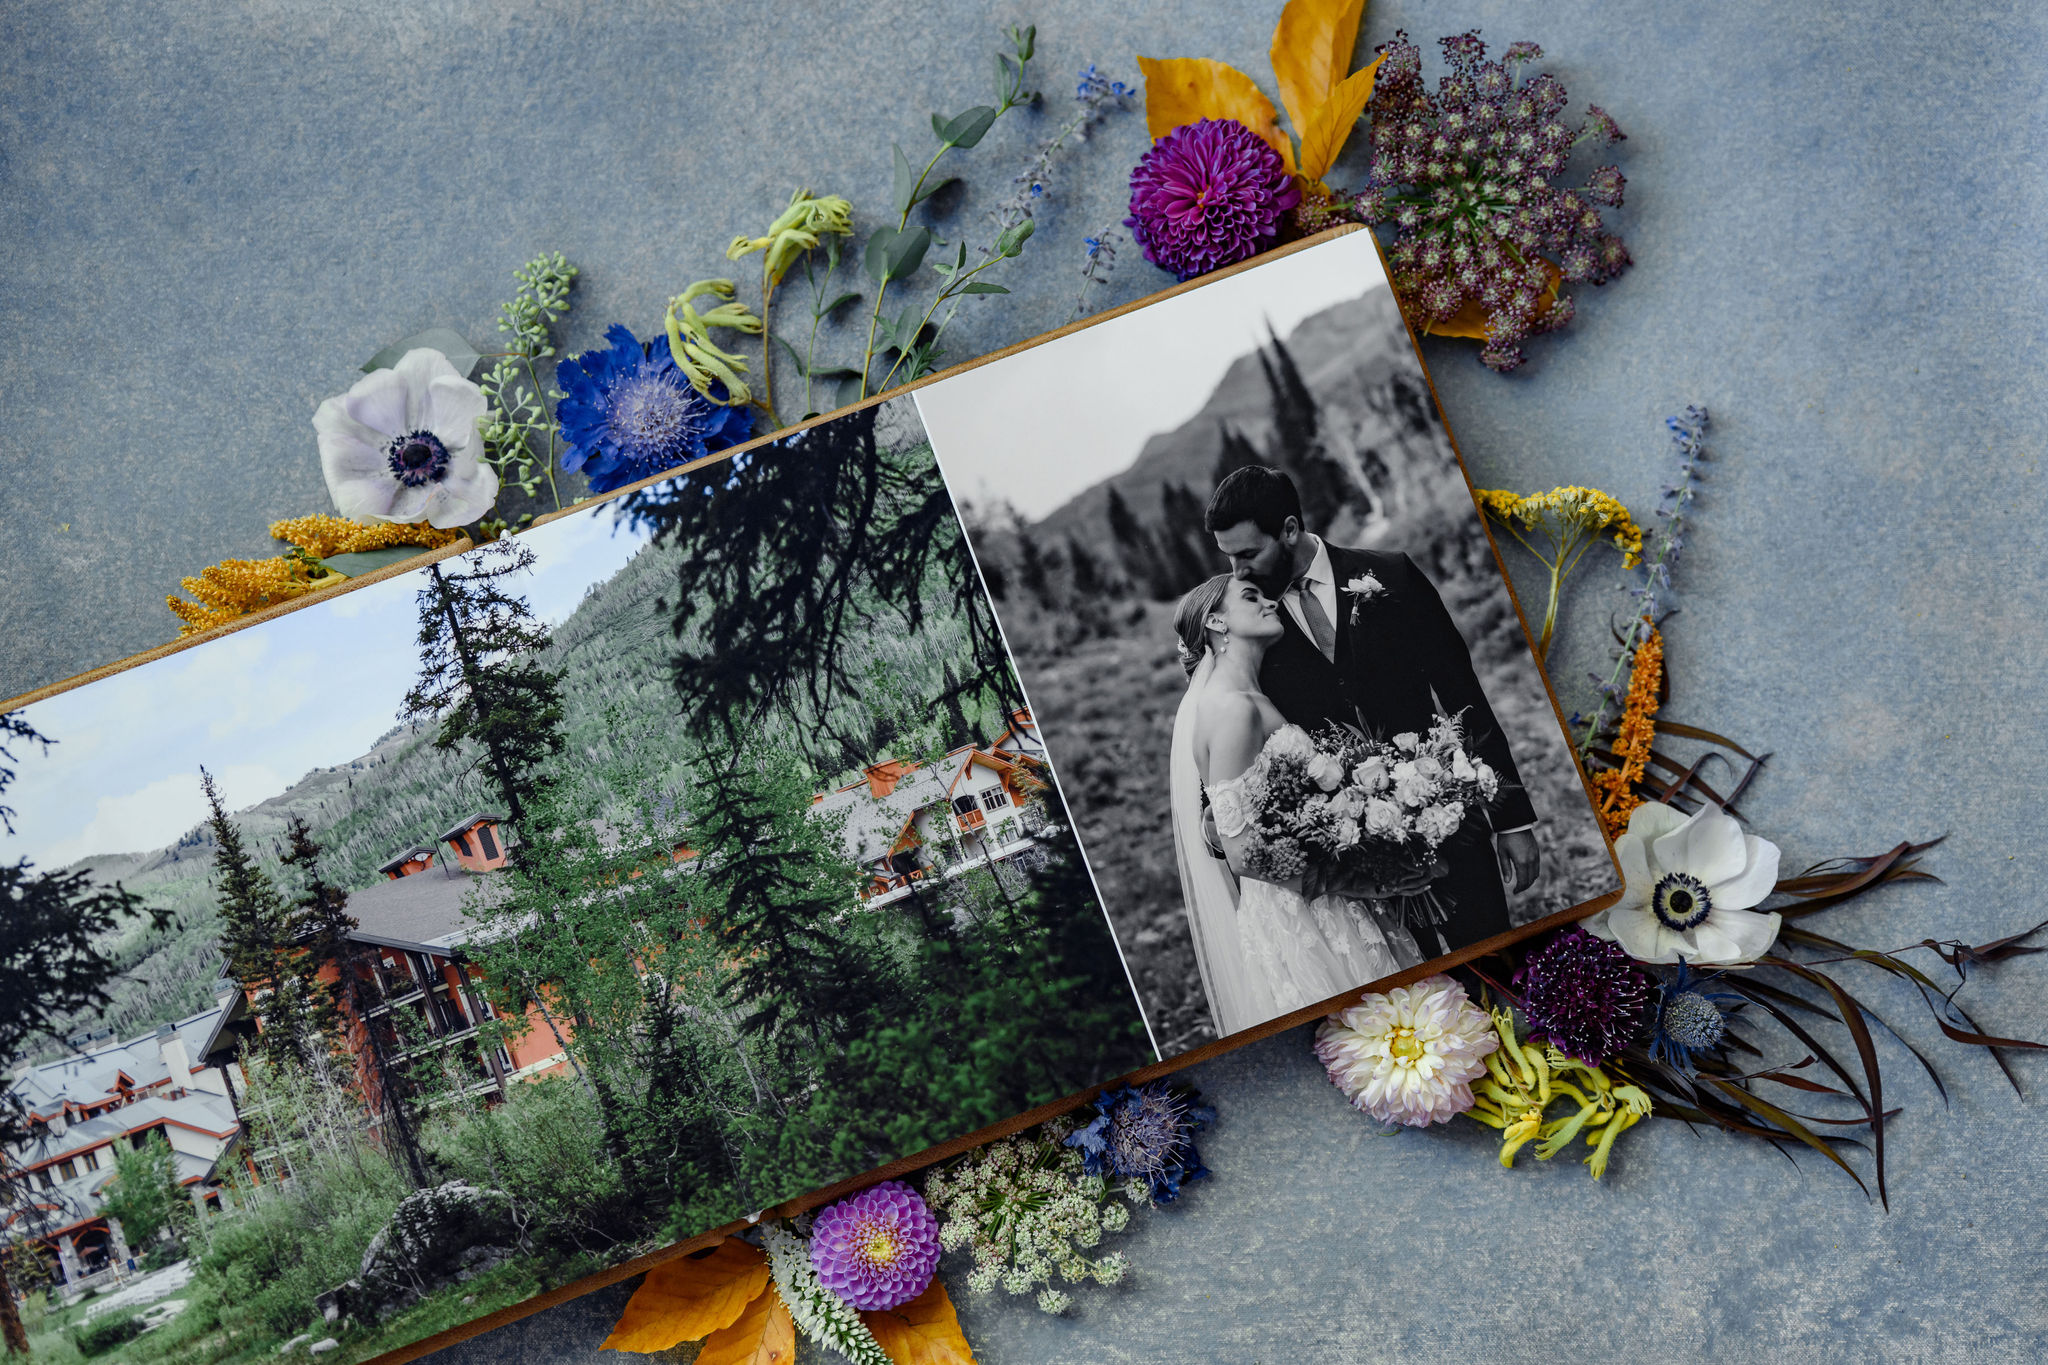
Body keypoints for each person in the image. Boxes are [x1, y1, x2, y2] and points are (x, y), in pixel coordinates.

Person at [1203, 465, 1541, 953]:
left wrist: (1511, 819)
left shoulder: (1392, 574)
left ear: (1291, 530)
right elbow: (1232, 726)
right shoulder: (1254, 624)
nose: (1237, 572)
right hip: (1356, 862)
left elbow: (1462, 694)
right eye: (1229, 557)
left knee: (1500, 961)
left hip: (1453, 825)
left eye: (1249, 554)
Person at [1168, 573, 1424, 1035]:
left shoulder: (1250, 696)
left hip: (1322, 896)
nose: (1270, 601)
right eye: (1252, 597)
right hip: (1305, 914)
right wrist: (1360, 879)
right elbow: (1242, 852)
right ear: (1216, 623)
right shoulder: (1230, 707)